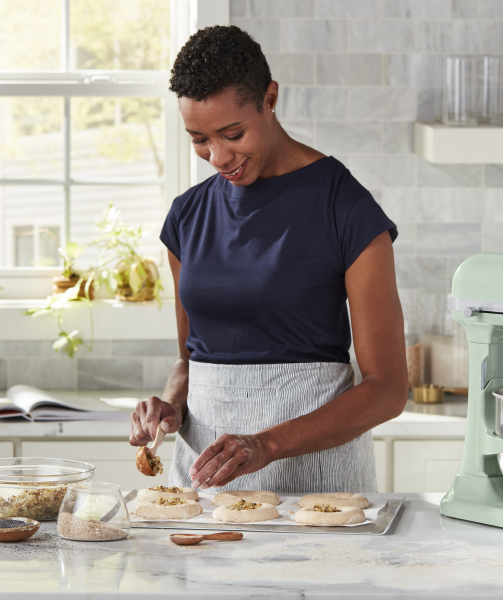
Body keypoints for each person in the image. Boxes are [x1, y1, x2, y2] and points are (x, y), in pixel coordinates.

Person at [128, 25, 408, 494]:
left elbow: (387, 390)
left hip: (319, 483)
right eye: (199, 139)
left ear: (270, 98)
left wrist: (265, 446)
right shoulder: (187, 216)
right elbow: (190, 360)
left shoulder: (344, 206)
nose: (217, 156)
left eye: (232, 133)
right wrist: (171, 408)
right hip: (206, 480)